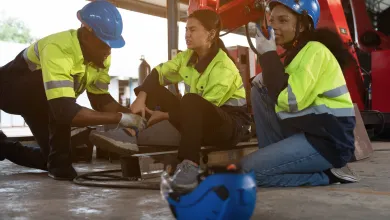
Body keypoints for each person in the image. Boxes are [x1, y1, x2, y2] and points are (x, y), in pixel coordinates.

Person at [0, 0, 146, 180]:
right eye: (104, 43)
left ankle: (2, 146)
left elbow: (100, 100)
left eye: (111, 44)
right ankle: (75, 135)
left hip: (43, 104)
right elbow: (64, 111)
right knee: (63, 113)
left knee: (58, 164)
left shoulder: (100, 56)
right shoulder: (58, 49)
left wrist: (133, 117)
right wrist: (120, 119)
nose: (108, 50)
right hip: (9, 92)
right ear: (86, 33)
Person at [240, 0, 359, 187]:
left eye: (283, 20)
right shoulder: (297, 55)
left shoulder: (314, 51)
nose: (274, 27)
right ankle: (272, 157)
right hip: (309, 132)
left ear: (302, 25)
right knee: (259, 86)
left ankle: (327, 176)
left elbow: (290, 100)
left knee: (247, 171)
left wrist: (269, 56)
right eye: (271, 21)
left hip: (328, 142)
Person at [130, 9, 251, 189]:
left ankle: (189, 164)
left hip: (228, 127)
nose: (187, 35)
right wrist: (141, 97)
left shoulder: (223, 67)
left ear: (211, 34)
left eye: (192, 30)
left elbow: (203, 110)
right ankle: (132, 131)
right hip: (197, 121)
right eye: (186, 30)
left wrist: (165, 115)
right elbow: (159, 72)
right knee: (152, 88)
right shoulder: (187, 57)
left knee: (190, 100)